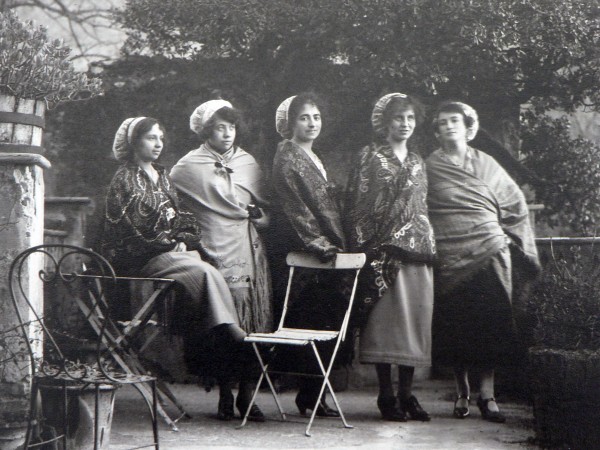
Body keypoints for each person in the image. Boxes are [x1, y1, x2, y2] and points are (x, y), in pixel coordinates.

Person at [101, 116, 248, 420]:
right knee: (205, 273)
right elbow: (129, 229)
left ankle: (223, 331)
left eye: (160, 138)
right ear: (133, 143)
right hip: (142, 258)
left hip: (171, 253)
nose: (157, 144)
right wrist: (170, 243)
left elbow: (184, 217)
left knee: (210, 269)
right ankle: (232, 331)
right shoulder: (124, 179)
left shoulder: (163, 177)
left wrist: (181, 238)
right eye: (150, 138)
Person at [426, 102, 540, 422]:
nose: (449, 126)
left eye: (455, 121)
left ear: (468, 128)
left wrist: (511, 239)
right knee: (456, 327)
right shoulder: (429, 167)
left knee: (492, 323)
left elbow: (515, 202)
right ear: (436, 132)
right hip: (449, 256)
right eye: (442, 122)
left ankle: (488, 396)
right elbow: (420, 209)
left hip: (490, 251)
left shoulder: (488, 164)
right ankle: (462, 392)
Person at [170, 99, 272, 422]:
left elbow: (267, 211)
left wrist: (258, 216)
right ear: (205, 130)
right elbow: (177, 208)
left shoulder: (248, 163)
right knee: (222, 327)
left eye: (231, 127)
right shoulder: (188, 167)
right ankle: (225, 395)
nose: (227, 133)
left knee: (253, 325)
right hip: (213, 249)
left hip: (246, 249)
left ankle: (247, 395)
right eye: (219, 127)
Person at [345, 93, 436, 422]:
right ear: (383, 122)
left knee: (414, 321)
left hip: (417, 252)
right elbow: (359, 204)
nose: (405, 124)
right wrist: (367, 246)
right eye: (399, 118)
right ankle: (386, 394)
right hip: (382, 252)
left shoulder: (417, 161)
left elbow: (421, 205)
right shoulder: (368, 156)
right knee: (386, 324)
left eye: (410, 118)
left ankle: (407, 394)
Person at [270, 92, 346, 418]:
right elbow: (296, 210)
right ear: (289, 123)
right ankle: (309, 395)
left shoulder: (314, 157)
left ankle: (314, 395)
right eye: (304, 117)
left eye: (316, 117)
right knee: (311, 321)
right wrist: (323, 246)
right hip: (306, 251)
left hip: (327, 248)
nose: (312, 123)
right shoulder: (287, 158)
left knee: (329, 321)